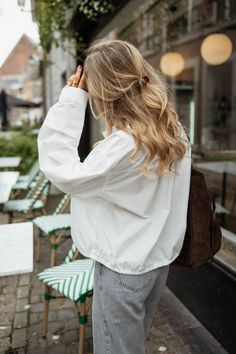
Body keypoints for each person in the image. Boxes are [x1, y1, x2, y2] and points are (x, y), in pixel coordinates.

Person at [37, 39, 191, 354]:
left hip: (123, 267)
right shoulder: (173, 131)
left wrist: (70, 100)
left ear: (103, 94)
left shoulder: (124, 147)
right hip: (155, 262)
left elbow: (61, 169)